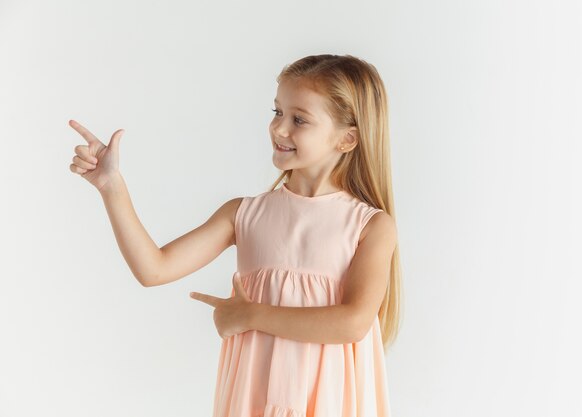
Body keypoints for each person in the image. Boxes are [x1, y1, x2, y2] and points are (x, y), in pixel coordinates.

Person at [68, 53, 403, 417]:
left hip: (330, 403)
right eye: (277, 113)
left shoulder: (370, 225)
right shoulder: (244, 214)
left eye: (299, 119)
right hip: (252, 398)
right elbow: (154, 269)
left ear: (347, 139)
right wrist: (111, 187)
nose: (279, 129)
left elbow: (352, 323)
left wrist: (250, 315)